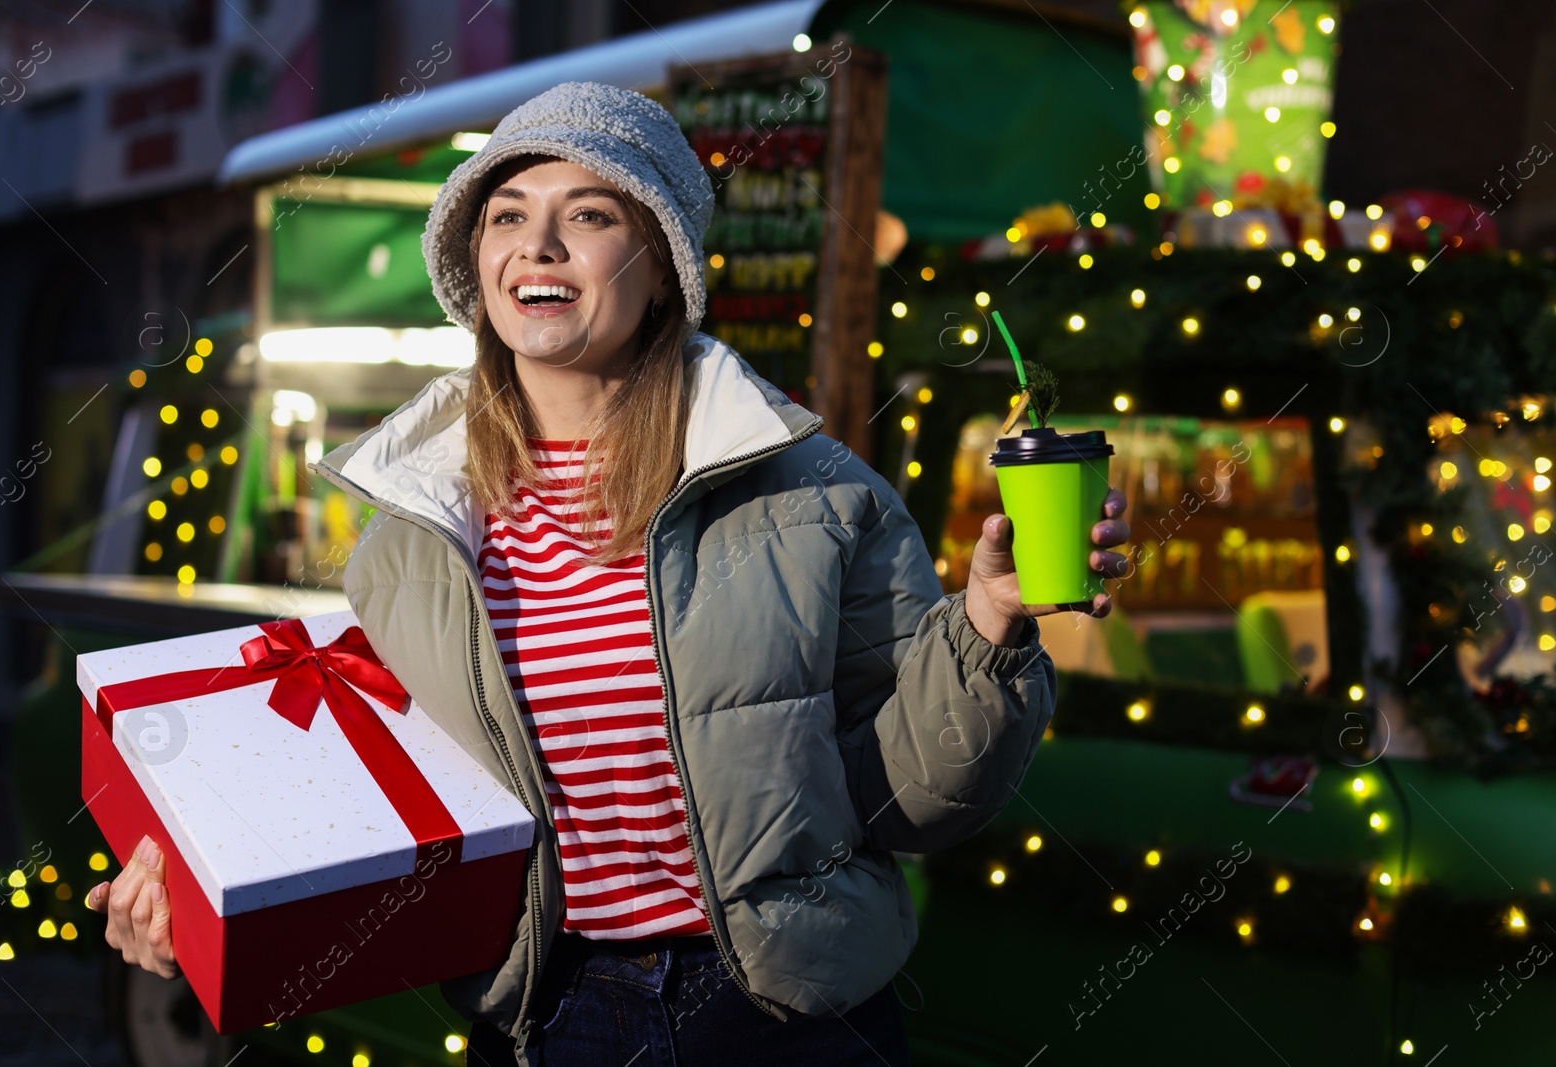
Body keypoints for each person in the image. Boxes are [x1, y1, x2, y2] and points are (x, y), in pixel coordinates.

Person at [89, 80, 1130, 1067]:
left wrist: (989, 621)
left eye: (588, 214)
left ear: (663, 262)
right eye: (505, 214)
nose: (536, 243)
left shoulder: (811, 490)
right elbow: (357, 791)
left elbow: (909, 803)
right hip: (550, 1014)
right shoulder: (413, 530)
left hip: (784, 1011)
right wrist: (188, 874)